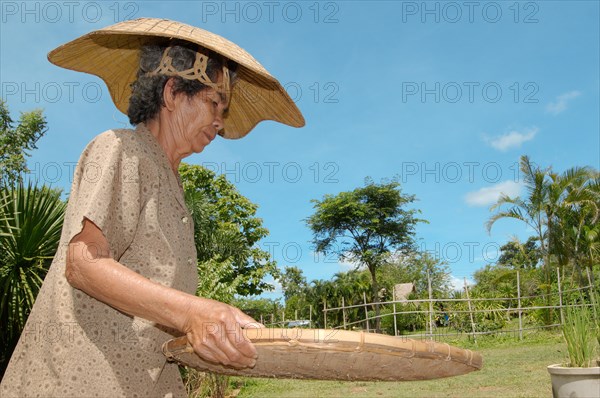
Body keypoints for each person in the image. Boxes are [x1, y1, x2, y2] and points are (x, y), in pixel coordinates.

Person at [0, 18, 304, 397]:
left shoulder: (173, 188)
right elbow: (83, 261)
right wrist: (192, 313)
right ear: (174, 92)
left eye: (223, 111)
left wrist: (213, 329)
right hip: (77, 382)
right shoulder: (121, 149)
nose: (219, 123)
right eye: (214, 103)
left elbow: (159, 315)